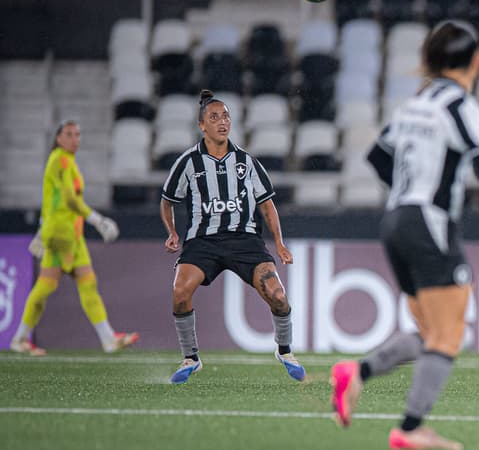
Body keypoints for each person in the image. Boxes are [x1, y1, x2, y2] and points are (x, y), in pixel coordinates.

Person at [329, 21, 479, 450]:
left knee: (431, 331)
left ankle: (357, 373)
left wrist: (410, 192)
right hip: (429, 223)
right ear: (476, 60)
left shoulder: (414, 104)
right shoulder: (463, 105)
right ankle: (409, 427)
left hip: (396, 220)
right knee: (449, 334)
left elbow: (377, 156)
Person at [160, 89, 304, 384]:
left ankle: (285, 351)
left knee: (278, 296)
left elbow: (267, 204)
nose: (222, 122)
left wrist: (279, 243)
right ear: (202, 125)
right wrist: (172, 232)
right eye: (214, 117)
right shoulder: (188, 163)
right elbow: (167, 200)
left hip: (244, 240)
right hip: (203, 241)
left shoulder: (246, 162)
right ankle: (191, 357)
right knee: (180, 292)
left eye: (225, 116)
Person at [10, 120, 138, 355]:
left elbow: (54, 200)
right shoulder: (59, 159)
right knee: (46, 285)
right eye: (68, 134)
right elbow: (69, 200)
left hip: (73, 235)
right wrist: (98, 220)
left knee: (88, 283)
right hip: (59, 234)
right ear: (58, 138)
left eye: (77, 134)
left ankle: (108, 339)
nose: (74, 139)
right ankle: (19, 338)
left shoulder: (68, 161)